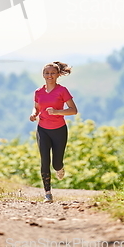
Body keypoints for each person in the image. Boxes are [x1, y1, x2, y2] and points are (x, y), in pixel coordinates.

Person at [29, 60, 78, 203]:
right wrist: (33, 114)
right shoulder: (38, 92)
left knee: (56, 163)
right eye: (47, 73)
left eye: (52, 73)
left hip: (59, 130)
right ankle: (48, 193)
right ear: (43, 75)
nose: (49, 75)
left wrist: (56, 112)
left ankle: (60, 168)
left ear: (58, 75)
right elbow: (36, 107)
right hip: (43, 129)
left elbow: (73, 110)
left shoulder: (62, 91)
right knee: (45, 160)